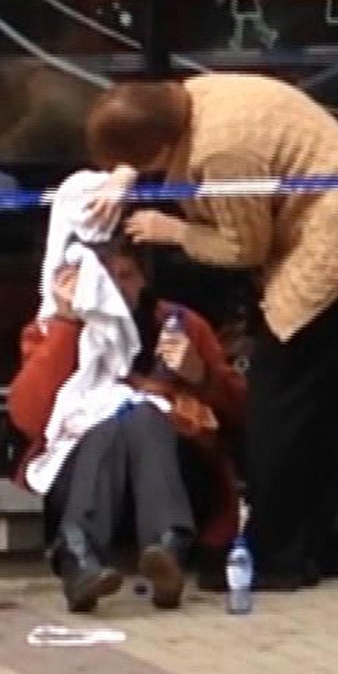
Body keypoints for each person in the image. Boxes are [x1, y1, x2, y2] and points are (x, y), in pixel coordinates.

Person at [83, 74, 338, 591]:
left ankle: (275, 558)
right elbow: (154, 124)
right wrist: (125, 174)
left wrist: (175, 230)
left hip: (336, 245)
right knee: (317, 401)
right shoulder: (193, 96)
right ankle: (312, 544)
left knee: (281, 401)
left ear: (162, 147)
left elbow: (242, 248)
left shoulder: (221, 155)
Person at [10, 238, 246, 611]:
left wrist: (200, 375)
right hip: (86, 480)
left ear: (144, 280)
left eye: (126, 276)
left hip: (178, 480)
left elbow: (241, 412)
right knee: (112, 419)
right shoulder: (53, 328)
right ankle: (81, 562)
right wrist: (68, 325)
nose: (115, 288)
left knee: (143, 416)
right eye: (103, 278)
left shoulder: (181, 324)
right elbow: (29, 418)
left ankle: (167, 551)